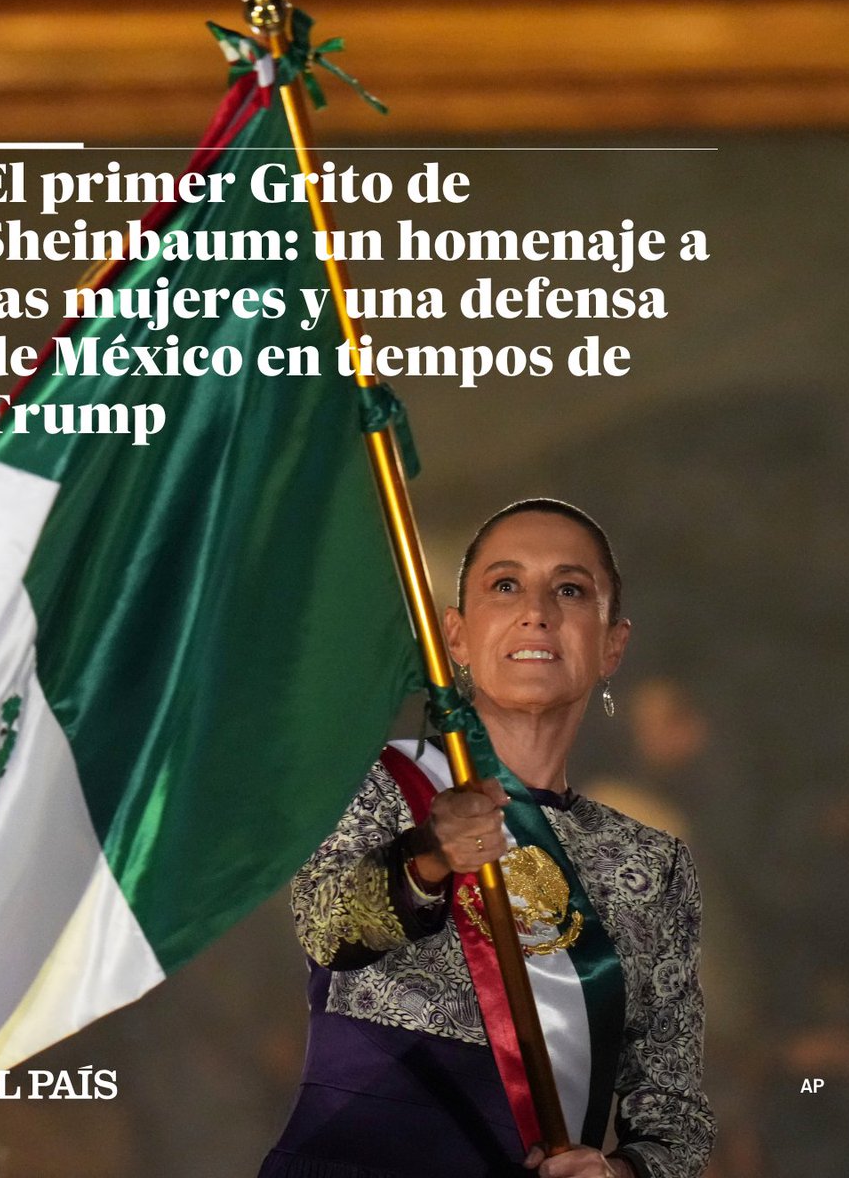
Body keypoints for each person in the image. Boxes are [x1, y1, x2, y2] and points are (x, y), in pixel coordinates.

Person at [259, 499, 715, 1178]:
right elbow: (325, 927)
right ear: (457, 637)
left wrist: (621, 1173)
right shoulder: (374, 782)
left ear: (612, 645)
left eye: (570, 589)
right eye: (505, 586)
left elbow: (676, 1117)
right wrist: (430, 858)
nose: (537, 611)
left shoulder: (651, 863)